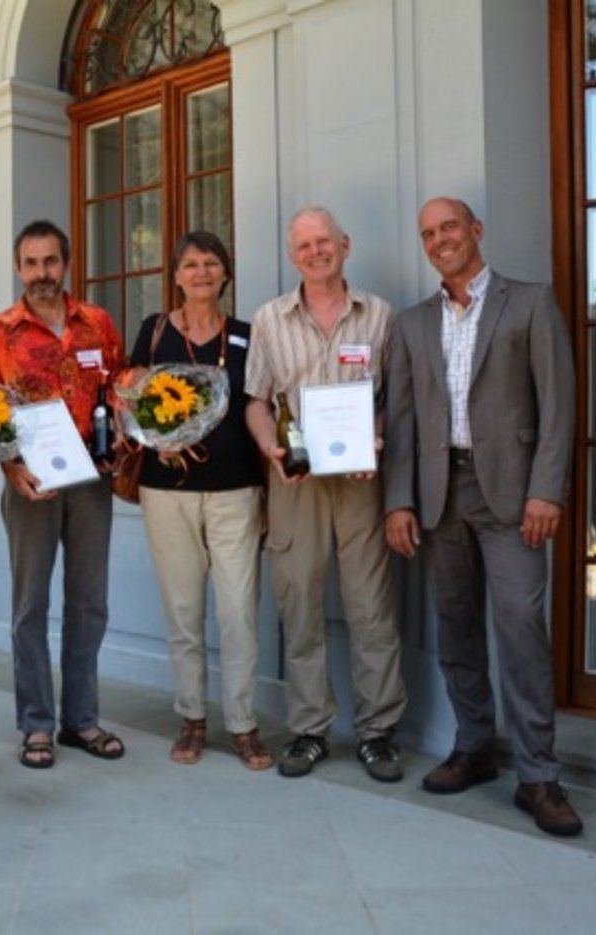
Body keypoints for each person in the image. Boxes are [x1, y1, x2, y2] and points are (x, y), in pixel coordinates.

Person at [383, 196, 581, 836]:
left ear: (475, 230)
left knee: (520, 624)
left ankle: (538, 775)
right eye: (427, 233)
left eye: (449, 227)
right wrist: (399, 500)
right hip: (439, 493)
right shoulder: (412, 324)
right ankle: (474, 746)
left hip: (515, 495)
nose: (439, 240)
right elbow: (402, 422)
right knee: (456, 623)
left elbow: (558, 404)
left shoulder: (529, 302)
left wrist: (546, 490)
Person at [243, 207, 407, 783]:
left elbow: (391, 398)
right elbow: (257, 401)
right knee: (299, 606)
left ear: (345, 244)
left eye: (324, 242)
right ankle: (309, 729)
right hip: (297, 479)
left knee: (371, 608)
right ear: (293, 257)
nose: (316, 252)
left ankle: (378, 732)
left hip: (361, 480)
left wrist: (376, 437)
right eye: (304, 246)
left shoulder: (380, 315)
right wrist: (270, 448)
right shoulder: (269, 319)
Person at [0, 219, 126, 769]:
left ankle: (81, 719)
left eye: (50, 261)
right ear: (19, 268)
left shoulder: (98, 324)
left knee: (89, 602)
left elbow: (117, 389)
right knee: (29, 605)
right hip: (30, 482)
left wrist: (122, 433)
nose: (42, 273)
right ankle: (36, 723)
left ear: (66, 263)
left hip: (89, 479)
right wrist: (10, 468)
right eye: (31, 263)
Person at [130, 231, 271, 770]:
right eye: (190, 264)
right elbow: (129, 396)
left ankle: (244, 724)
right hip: (168, 493)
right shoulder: (155, 331)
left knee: (238, 613)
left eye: (211, 263)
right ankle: (191, 718)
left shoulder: (247, 336)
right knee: (184, 612)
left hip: (236, 491)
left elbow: (260, 404)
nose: (201, 272)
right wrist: (154, 438)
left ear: (226, 272)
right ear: (175, 276)